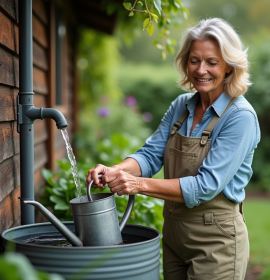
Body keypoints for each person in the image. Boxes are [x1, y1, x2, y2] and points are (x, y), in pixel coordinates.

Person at [85, 18, 260, 280]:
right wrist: (115, 170)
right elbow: (150, 155)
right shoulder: (181, 106)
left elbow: (205, 186)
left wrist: (138, 184)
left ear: (228, 67)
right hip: (174, 237)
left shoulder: (240, 117)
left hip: (216, 242)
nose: (201, 70)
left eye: (212, 62)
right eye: (194, 60)